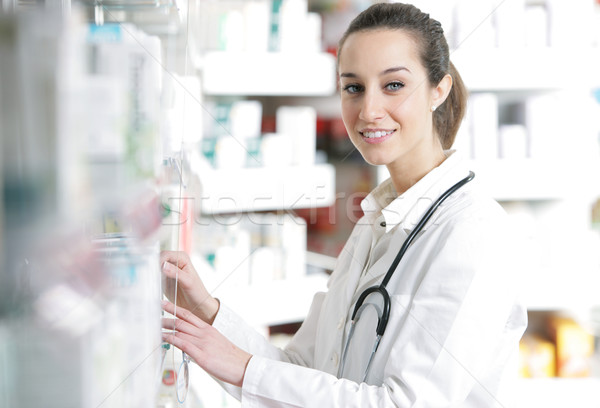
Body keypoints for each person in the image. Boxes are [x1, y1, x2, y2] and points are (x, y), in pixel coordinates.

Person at [160, 3, 527, 407]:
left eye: (393, 86)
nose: (368, 111)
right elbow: (303, 369)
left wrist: (244, 367)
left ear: (437, 90)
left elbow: (407, 403)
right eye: (353, 87)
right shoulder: (375, 224)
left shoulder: (474, 232)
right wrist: (210, 312)